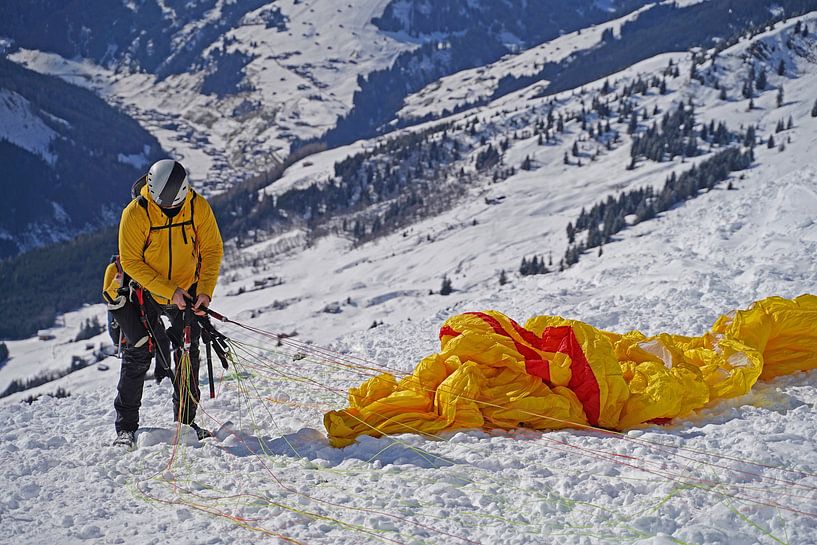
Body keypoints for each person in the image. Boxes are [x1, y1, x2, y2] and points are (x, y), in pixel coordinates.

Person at [108, 159, 223, 448]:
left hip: (187, 290)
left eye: (175, 205)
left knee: (187, 351)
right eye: (165, 207)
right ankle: (125, 428)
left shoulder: (197, 207)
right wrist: (169, 291)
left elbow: (211, 250)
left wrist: (205, 292)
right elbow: (132, 262)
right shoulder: (135, 214)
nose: (170, 210)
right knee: (138, 352)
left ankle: (185, 424)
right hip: (146, 292)